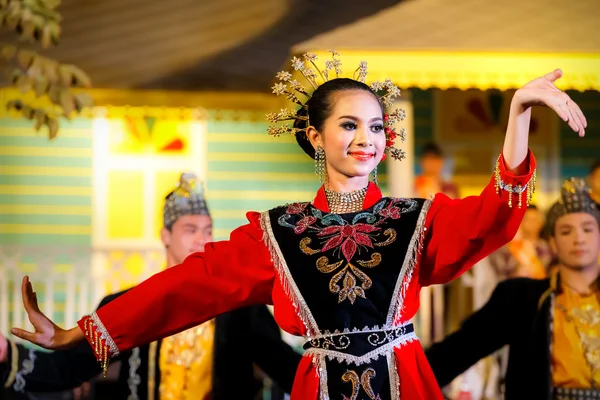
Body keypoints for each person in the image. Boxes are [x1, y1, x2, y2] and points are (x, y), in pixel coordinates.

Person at [10, 52, 587, 400]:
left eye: (377, 127)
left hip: (404, 380)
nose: (367, 139)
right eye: (348, 125)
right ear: (315, 136)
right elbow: (187, 286)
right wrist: (85, 332)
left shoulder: (415, 219)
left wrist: (517, 117)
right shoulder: (281, 234)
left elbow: (493, 217)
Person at [0, 173, 301, 400]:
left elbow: (284, 367)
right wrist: (7, 355)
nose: (202, 239)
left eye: (208, 230)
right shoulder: (128, 305)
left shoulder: (242, 311)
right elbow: (70, 367)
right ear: (165, 236)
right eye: (190, 230)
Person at [425, 178, 600, 399]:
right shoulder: (522, 299)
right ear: (553, 242)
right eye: (566, 232)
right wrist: (396, 378)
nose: (579, 239)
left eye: (588, 229)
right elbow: (459, 350)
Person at [489, 204, 554, 280]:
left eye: (535, 219)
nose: (531, 223)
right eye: (527, 219)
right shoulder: (509, 247)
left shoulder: (546, 248)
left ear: (541, 223)